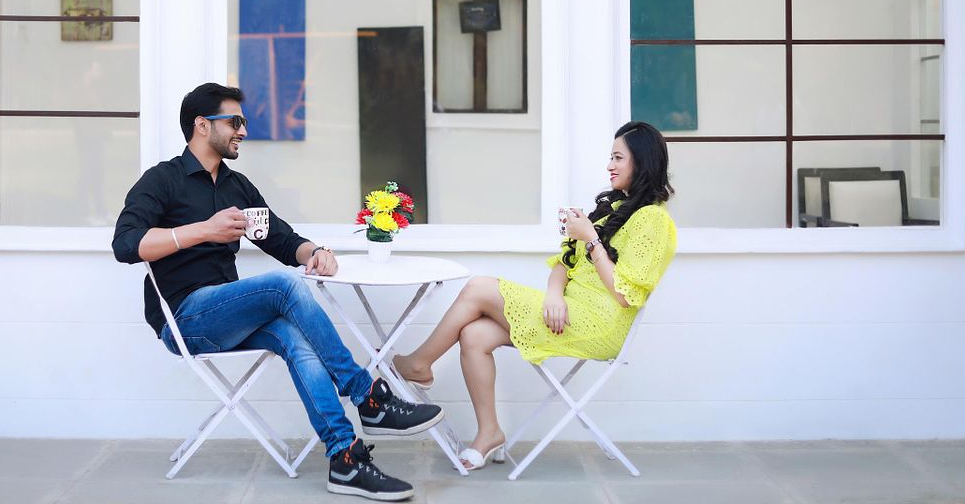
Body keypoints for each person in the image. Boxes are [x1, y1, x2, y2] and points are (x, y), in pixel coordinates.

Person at [113, 82, 444, 500]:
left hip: (228, 315)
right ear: (202, 125)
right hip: (184, 319)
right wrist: (204, 230)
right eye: (235, 121)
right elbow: (125, 244)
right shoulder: (163, 180)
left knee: (294, 337)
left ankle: (345, 458)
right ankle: (367, 396)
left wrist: (315, 252)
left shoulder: (236, 187)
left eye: (243, 122)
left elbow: (282, 240)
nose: (243, 131)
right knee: (284, 286)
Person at [392, 121, 676, 470]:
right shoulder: (615, 209)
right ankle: (489, 433)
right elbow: (564, 263)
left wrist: (591, 239)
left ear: (642, 162)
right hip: (568, 309)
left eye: (618, 158)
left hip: (601, 324)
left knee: (479, 287)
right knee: (474, 334)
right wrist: (554, 294)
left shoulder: (654, 221)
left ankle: (419, 364)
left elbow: (624, 294)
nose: (609, 166)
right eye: (610, 157)